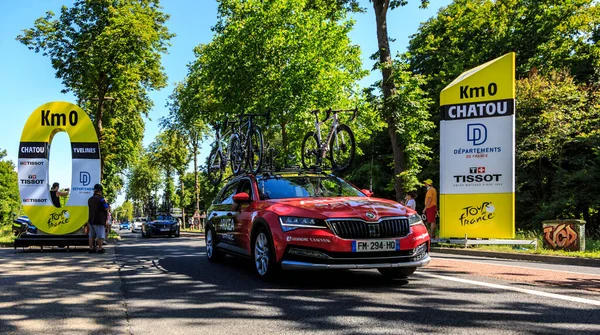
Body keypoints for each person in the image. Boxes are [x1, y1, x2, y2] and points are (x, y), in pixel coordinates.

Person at [87, 184, 109, 254]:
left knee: (91, 235)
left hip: (91, 220)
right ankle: (100, 248)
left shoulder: (89, 199)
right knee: (100, 235)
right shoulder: (101, 199)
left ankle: (91, 248)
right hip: (99, 220)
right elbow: (106, 207)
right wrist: (106, 203)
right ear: (100, 191)